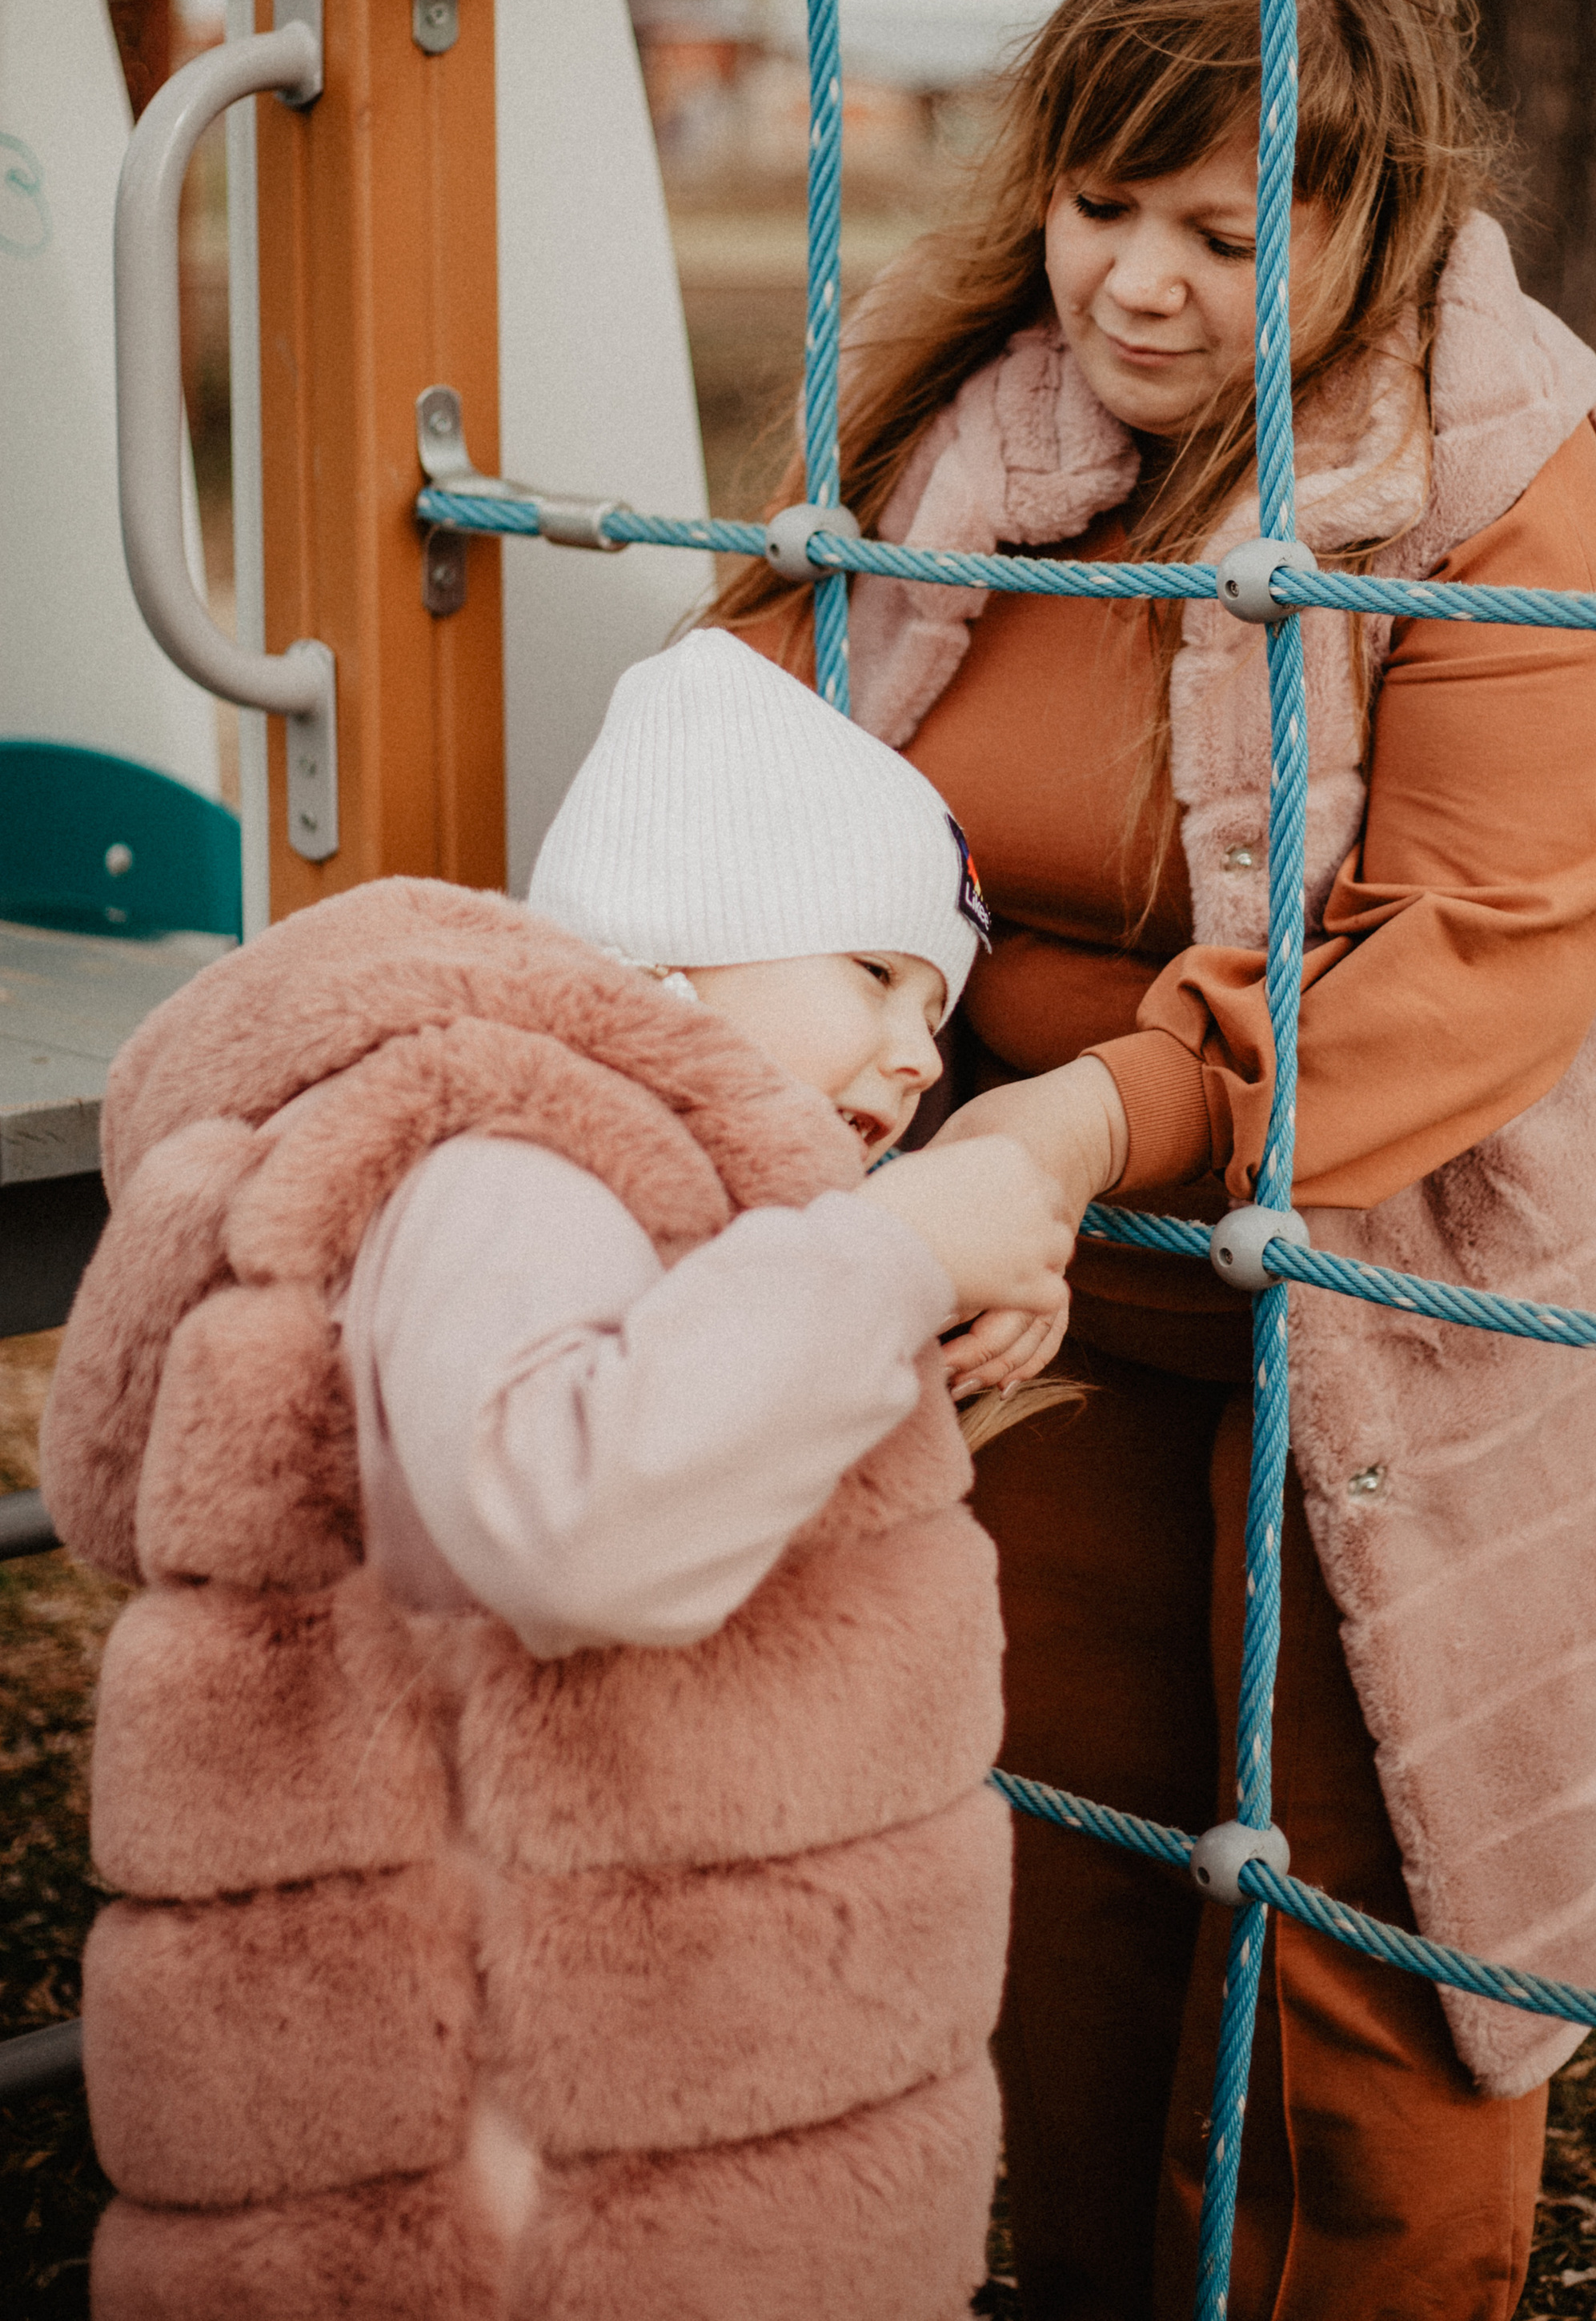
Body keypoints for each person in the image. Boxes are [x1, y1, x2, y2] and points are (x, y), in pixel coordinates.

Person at [720, 0, 1596, 2321]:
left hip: (1423, 1265)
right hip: (1039, 1257)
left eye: (1229, 232)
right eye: (1109, 207)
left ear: (1378, 216)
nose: (1146, 286)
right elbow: (749, 773)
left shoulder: (1512, 471)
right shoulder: (958, 433)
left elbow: (1476, 954)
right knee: (1059, 1869)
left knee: (1363, 1945)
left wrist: (1055, 1136)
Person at [41, 631, 1070, 2321]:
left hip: (665, 2094)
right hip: (533, 2161)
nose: (914, 1058)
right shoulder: (516, 1164)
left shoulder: (678, 1187)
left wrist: (909, 1283)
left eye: (938, 1017)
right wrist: (884, 1261)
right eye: (877, 973)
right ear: (676, 940)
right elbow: (574, 1525)